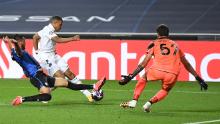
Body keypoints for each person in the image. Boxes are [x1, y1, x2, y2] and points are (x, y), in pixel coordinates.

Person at [118, 24, 208, 112]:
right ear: (168, 34)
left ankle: (134, 100)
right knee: (165, 89)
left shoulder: (154, 44)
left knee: (144, 78)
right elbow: (187, 64)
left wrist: (130, 76)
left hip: (157, 70)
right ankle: (148, 104)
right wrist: (198, 78)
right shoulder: (175, 45)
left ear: (158, 34)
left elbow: (143, 63)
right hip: (172, 73)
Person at [2, 35, 106, 106]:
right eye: (23, 41)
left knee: (66, 83)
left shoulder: (16, 50)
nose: (25, 43)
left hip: (41, 75)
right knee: (47, 96)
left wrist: (8, 42)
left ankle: (94, 86)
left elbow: (15, 48)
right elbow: (18, 51)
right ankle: (21, 99)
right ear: (20, 42)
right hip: (36, 77)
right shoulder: (17, 52)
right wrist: (14, 43)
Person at [32, 16, 94, 102]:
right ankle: (45, 93)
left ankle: (88, 94)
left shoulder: (45, 30)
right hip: (46, 58)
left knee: (69, 74)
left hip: (54, 55)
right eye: (60, 25)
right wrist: (73, 38)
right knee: (61, 77)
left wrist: (36, 50)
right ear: (55, 23)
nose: (61, 27)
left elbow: (35, 37)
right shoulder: (48, 30)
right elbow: (58, 39)